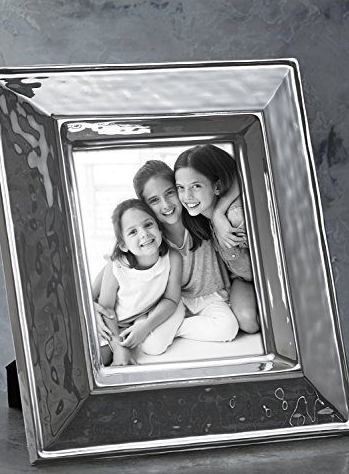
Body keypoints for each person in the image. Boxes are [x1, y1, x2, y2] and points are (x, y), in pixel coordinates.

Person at [132, 160, 239, 343]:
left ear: (179, 189)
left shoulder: (200, 215)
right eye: (154, 200)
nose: (166, 205)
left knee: (227, 328)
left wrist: (219, 212)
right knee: (152, 345)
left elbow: (239, 176)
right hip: (175, 302)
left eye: (170, 193)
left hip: (212, 297)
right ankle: (166, 329)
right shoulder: (150, 236)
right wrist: (92, 301)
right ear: (145, 207)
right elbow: (116, 262)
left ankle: (175, 329)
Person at [173, 144, 260, 334]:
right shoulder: (200, 217)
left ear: (217, 187)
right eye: (181, 188)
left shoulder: (235, 217)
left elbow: (249, 167)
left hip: (264, 276)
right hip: (242, 279)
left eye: (196, 186)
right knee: (249, 323)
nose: (187, 196)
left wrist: (219, 212)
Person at [97, 198, 184, 366]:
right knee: (99, 359)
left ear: (160, 229)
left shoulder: (173, 258)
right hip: (113, 324)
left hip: (140, 318)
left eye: (148, 225)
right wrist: (118, 347)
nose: (144, 234)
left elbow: (171, 299)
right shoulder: (116, 265)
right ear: (123, 245)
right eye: (133, 232)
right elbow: (106, 309)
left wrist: (146, 327)